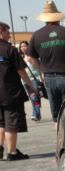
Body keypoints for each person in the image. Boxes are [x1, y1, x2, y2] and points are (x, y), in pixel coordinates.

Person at [26, 1, 65, 128]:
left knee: (57, 117)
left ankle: (59, 137)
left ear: (45, 19)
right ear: (58, 17)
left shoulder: (37, 35)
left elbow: (29, 58)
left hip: (49, 78)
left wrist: (42, 69)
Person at [0, 22, 36, 161]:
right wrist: (31, 85)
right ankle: (12, 152)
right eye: (7, 32)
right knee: (11, 122)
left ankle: (0, 149)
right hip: (10, 92)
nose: (9, 35)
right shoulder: (10, 50)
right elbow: (21, 70)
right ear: (1, 32)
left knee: (1, 122)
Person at [19, 41, 41, 121]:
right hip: (24, 80)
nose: (23, 48)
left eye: (25, 46)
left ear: (28, 47)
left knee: (34, 97)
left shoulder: (32, 56)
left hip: (34, 79)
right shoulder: (20, 57)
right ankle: (37, 114)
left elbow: (39, 67)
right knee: (33, 98)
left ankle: (36, 114)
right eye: (22, 46)